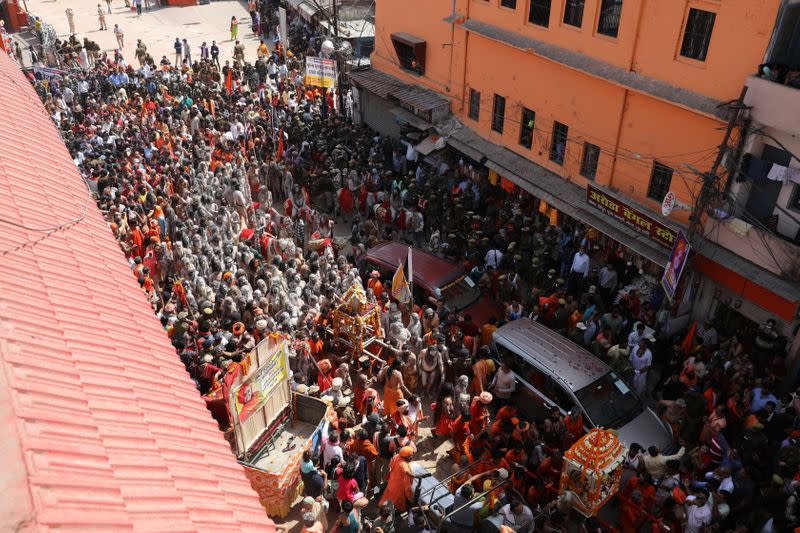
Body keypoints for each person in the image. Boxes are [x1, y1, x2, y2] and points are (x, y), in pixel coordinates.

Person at [379, 446, 415, 512]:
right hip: (399, 485)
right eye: (409, 456)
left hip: (392, 480)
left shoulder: (397, 456)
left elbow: (389, 466)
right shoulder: (403, 464)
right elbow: (407, 472)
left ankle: (386, 508)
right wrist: (417, 476)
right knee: (398, 499)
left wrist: (386, 475)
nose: (411, 457)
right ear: (405, 456)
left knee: (390, 495)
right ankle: (396, 510)